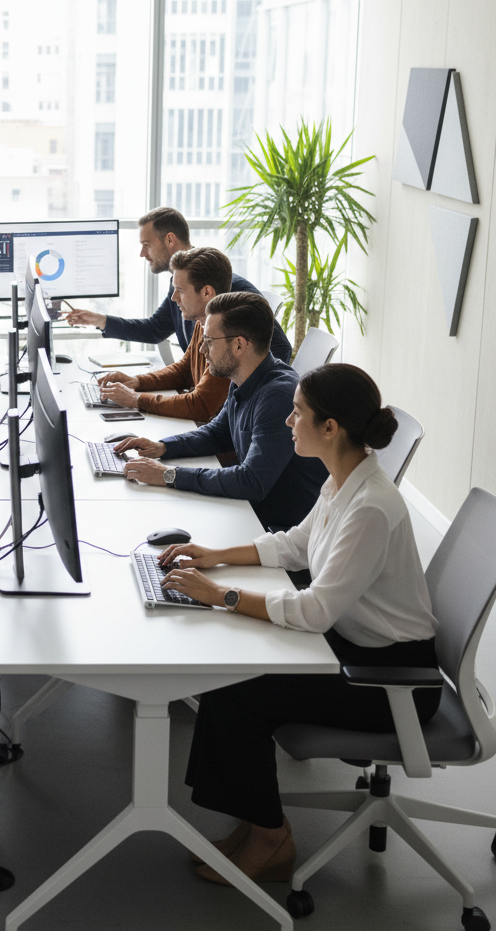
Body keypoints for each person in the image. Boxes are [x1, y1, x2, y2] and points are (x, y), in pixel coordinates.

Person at [155, 363, 440, 887]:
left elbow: (314, 610)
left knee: (241, 695)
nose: (288, 420)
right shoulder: (344, 480)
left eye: (298, 413)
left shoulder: (371, 505)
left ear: (330, 428)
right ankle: (253, 822)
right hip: (353, 645)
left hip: (389, 679)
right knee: (229, 674)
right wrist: (214, 555)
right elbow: (294, 543)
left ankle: (271, 838)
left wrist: (221, 596)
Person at [114, 292, 326, 530]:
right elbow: (217, 433)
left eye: (209, 341)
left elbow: (251, 481)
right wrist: (162, 446)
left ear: (239, 345)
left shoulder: (278, 396)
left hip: (278, 533)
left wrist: (168, 475)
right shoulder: (243, 376)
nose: (202, 350)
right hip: (250, 516)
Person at [63, 207, 292, 363]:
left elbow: (280, 348)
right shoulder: (179, 288)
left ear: (170, 240)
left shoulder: (232, 291)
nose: (143, 253)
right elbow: (154, 330)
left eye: (146, 244)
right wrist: (98, 320)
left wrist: (236, 398)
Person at [96, 247, 232, 423]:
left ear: (207, 293)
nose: (174, 298)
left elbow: (201, 405)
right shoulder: (203, 321)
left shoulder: (226, 336)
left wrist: (136, 399)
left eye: (181, 291)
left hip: (224, 446)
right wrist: (136, 382)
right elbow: (185, 370)